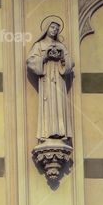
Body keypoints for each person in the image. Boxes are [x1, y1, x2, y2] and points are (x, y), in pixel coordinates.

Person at [26, 16, 74, 148]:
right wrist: (45, 57)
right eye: (52, 27)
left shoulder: (61, 46)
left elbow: (70, 63)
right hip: (46, 80)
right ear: (47, 28)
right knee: (49, 104)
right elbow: (30, 61)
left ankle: (60, 132)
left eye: (57, 29)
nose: (54, 30)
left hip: (59, 80)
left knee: (59, 104)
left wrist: (63, 58)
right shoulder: (39, 45)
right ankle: (48, 132)